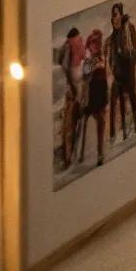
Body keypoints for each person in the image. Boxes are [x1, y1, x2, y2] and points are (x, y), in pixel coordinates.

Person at [106, 2, 136, 143]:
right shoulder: (113, 36)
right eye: (112, 16)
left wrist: (131, 63)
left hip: (128, 68)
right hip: (118, 72)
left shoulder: (129, 28)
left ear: (121, 14)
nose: (114, 18)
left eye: (116, 14)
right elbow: (111, 57)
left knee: (132, 94)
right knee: (113, 98)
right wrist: (113, 68)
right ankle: (113, 135)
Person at [78, 28, 108, 168]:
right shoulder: (88, 60)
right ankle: (81, 153)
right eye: (93, 43)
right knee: (86, 121)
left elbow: (105, 75)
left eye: (98, 43)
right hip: (90, 97)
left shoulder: (101, 57)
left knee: (101, 121)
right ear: (90, 45)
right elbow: (86, 74)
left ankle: (100, 153)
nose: (96, 45)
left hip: (100, 94)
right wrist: (94, 67)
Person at [58, 26, 85, 169]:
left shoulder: (69, 45)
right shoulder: (71, 45)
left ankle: (70, 154)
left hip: (74, 89)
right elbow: (66, 67)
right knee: (73, 122)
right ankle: (69, 155)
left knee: (74, 121)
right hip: (74, 90)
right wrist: (74, 89)